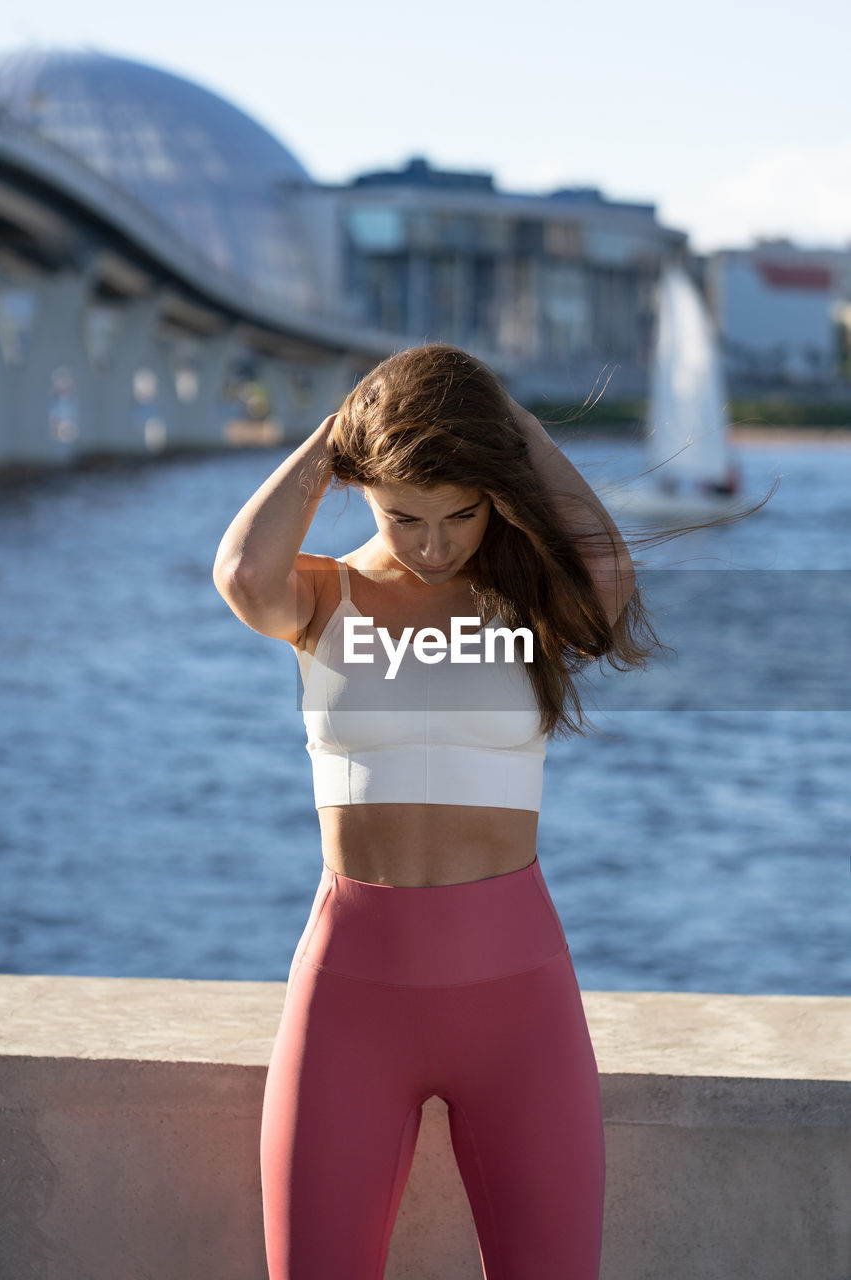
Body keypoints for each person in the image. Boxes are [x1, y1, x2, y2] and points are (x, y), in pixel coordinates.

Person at [212, 343, 745, 1280]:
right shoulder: (324, 597)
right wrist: (338, 433)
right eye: (403, 515)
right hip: (350, 997)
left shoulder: (526, 601)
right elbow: (241, 571)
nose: (432, 543)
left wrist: (522, 433)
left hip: (518, 1006)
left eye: (461, 512)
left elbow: (606, 579)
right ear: (361, 487)